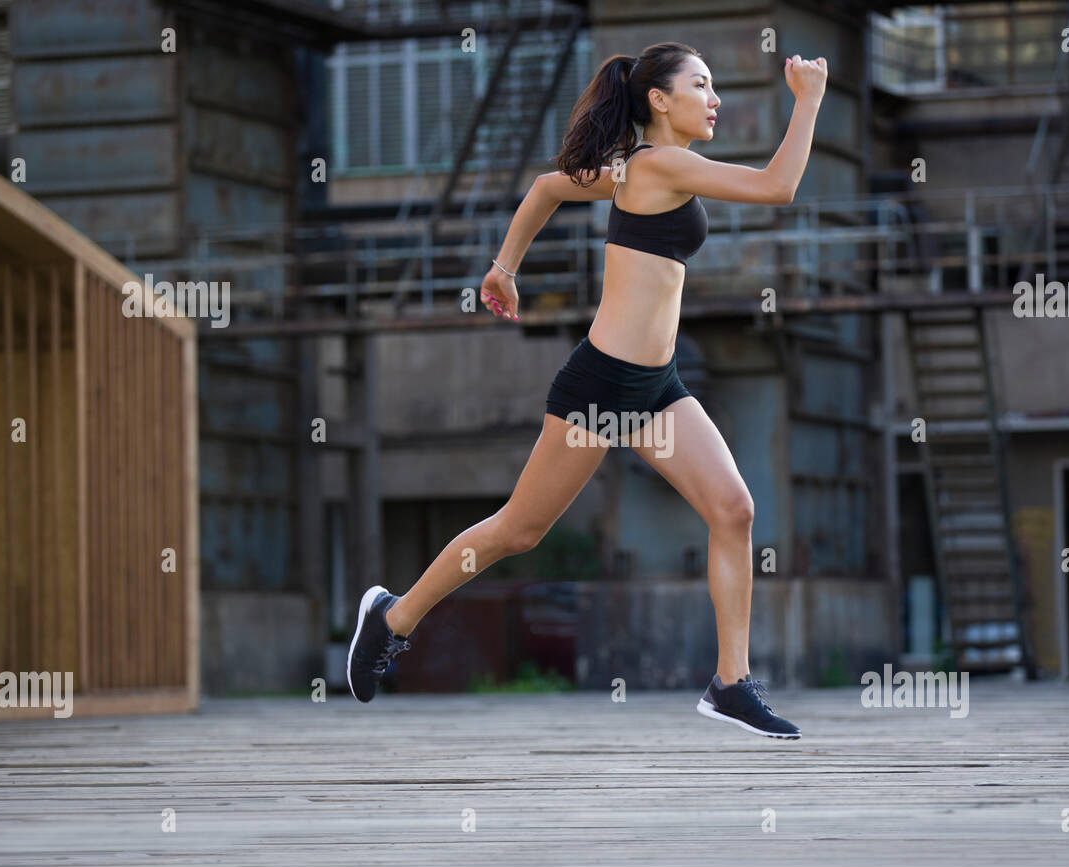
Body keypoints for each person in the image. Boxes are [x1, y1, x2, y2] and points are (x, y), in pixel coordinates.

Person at [349, 41, 827, 739]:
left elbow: (547, 187)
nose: (715, 97)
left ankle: (730, 683)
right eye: (702, 83)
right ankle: (392, 615)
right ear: (659, 100)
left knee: (733, 510)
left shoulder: (630, 169)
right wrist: (808, 98)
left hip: (655, 388)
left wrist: (504, 269)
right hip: (602, 387)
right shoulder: (661, 164)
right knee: (519, 529)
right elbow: (779, 187)